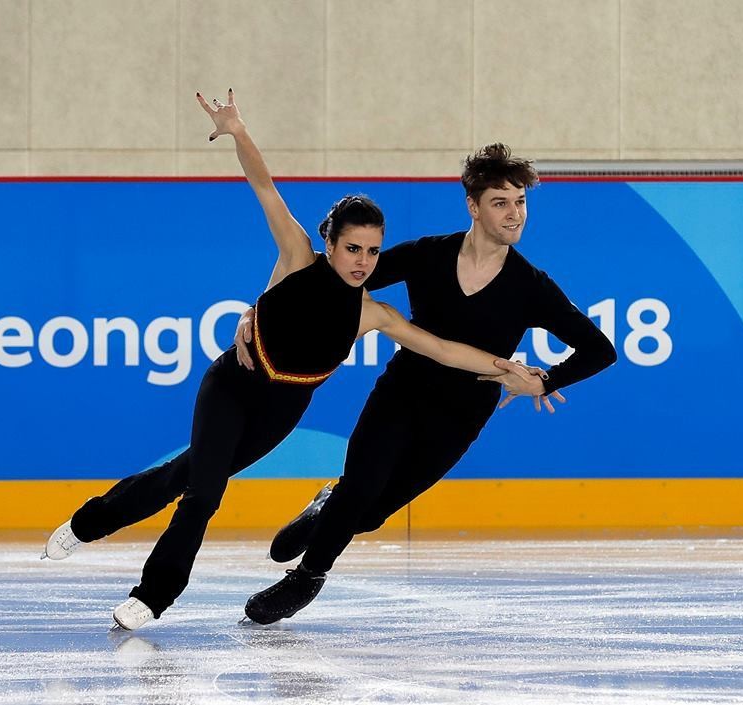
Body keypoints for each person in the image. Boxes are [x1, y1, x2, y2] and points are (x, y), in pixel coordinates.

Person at [40, 92, 548, 632]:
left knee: (178, 476)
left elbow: (444, 350)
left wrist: (508, 368)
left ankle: (90, 520)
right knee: (202, 494)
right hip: (233, 385)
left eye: (374, 252)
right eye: (354, 249)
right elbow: (264, 185)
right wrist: (237, 132)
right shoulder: (296, 255)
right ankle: (154, 595)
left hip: (280, 413)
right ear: (331, 244)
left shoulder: (371, 314)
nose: (364, 262)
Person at [243, 143, 618, 625]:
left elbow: (600, 349)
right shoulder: (428, 256)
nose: (514, 214)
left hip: (460, 417)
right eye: (501, 202)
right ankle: (306, 578)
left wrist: (544, 381)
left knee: (371, 513)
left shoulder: (531, 286)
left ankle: (327, 503)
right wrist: (258, 312)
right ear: (473, 206)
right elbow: (335, 279)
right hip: (403, 392)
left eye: (520, 202)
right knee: (361, 488)